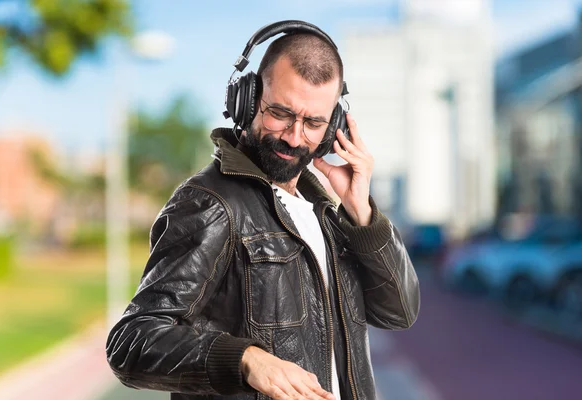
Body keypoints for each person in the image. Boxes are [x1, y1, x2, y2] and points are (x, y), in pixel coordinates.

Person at [106, 20, 420, 400]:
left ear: (334, 125)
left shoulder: (326, 211)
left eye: (313, 122)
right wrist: (245, 359)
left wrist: (362, 215)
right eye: (280, 113)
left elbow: (399, 311)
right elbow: (132, 342)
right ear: (248, 99)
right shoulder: (210, 202)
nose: (294, 136)